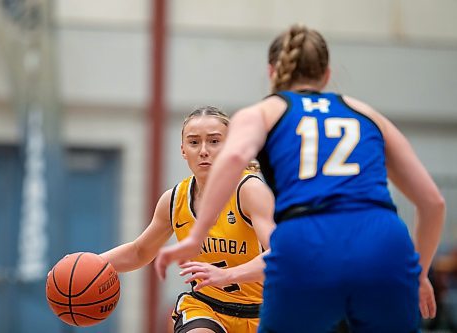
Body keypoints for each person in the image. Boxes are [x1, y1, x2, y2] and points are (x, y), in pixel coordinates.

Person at [155, 24, 446, 333]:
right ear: (327, 73)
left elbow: (235, 159)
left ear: (272, 72)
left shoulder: (264, 112)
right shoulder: (366, 113)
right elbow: (433, 203)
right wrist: (419, 272)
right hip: (383, 243)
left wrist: (198, 235)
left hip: (308, 240)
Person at [100, 106, 275, 333]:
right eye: (194, 142)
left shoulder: (249, 190)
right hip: (206, 307)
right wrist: (91, 263)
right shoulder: (174, 200)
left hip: (264, 310)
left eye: (214, 142)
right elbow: (140, 251)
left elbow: (280, 254)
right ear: (183, 150)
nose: (203, 150)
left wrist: (227, 275)